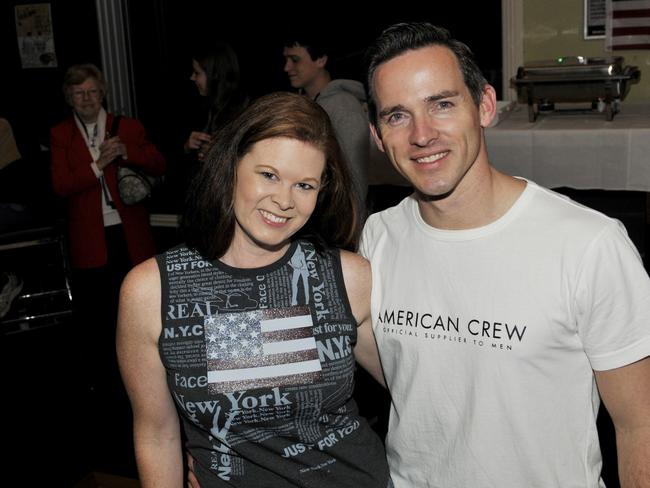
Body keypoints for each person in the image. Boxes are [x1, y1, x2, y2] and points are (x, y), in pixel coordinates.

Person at [360, 22, 650, 487]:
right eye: (397, 116)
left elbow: (640, 425)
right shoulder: (379, 236)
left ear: (485, 106)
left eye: (442, 104)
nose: (422, 134)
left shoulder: (589, 245)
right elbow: (408, 376)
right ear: (377, 135)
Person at [117, 92, 390, 487]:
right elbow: (157, 434)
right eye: (269, 175)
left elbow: (416, 389)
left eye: (305, 185)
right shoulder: (152, 291)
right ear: (232, 165)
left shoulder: (347, 277)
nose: (283, 200)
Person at [51, 63, 165, 387]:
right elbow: (60, 185)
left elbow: (159, 163)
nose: (86, 98)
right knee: (101, 316)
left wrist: (127, 152)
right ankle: (109, 380)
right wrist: (97, 165)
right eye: (79, 93)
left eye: (92, 91)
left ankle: (150, 371)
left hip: (130, 235)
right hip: (90, 240)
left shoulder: (125, 127)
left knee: (141, 308)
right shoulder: (60, 135)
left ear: (102, 93)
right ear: (69, 98)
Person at [283, 35, 369, 213]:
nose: (287, 67)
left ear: (321, 60)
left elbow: (356, 182)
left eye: (295, 60)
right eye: (286, 59)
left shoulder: (343, 105)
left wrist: (348, 233)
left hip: (333, 223)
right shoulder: (294, 105)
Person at [185, 41, 249, 161]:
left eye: (197, 73)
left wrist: (215, 155)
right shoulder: (208, 107)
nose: (192, 77)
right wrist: (188, 147)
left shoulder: (240, 112)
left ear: (214, 74)